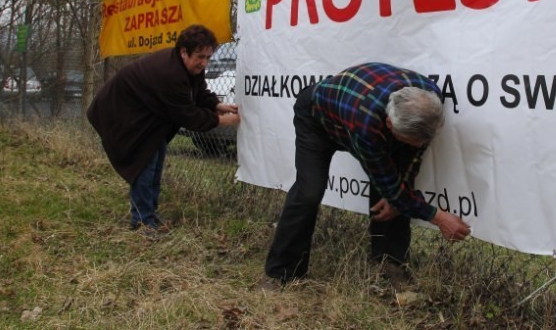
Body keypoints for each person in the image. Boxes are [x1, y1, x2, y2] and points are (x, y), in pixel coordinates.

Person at [265, 62, 471, 285]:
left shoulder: (429, 99)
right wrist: (438, 217)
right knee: (309, 192)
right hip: (317, 120)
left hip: (355, 109)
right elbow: (390, 184)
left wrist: (398, 195)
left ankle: (390, 266)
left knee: (396, 189)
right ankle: (283, 273)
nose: (421, 145)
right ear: (390, 125)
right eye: (414, 141)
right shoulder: (366, 126)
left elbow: (413, 156)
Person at [87, 24, 240, 235]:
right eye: (199, 56)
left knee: (155, 160)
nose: (203, 63)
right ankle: (142, 221)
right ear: (183, 51)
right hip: (122, 112)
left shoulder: (188, 66)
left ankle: (149, 214)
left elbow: (199, 92)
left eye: (207, 57)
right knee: (144, 163)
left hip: (148, 116)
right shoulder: (171, 74)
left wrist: (217, 105)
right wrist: (225, 120)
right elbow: (189, 116)